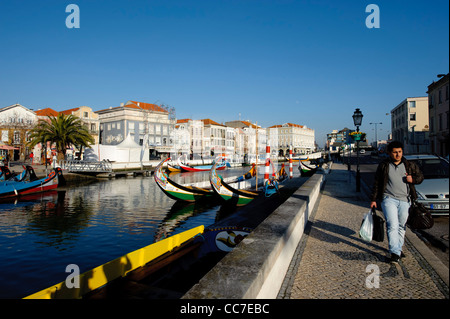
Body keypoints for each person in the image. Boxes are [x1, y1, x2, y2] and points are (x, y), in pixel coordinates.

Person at [370, 141, 424, 263]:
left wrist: (413, 179)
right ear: (389, 153)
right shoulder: (384, 165)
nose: (398, 154)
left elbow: (420, 177)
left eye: (399, 152)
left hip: (405, 200)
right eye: (395, 152)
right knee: (392, 225)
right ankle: (394, 252)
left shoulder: (409, 165)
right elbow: (377, 183)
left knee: (401, 226)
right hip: (389, 199)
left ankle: (398, 248)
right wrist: (373, 199)